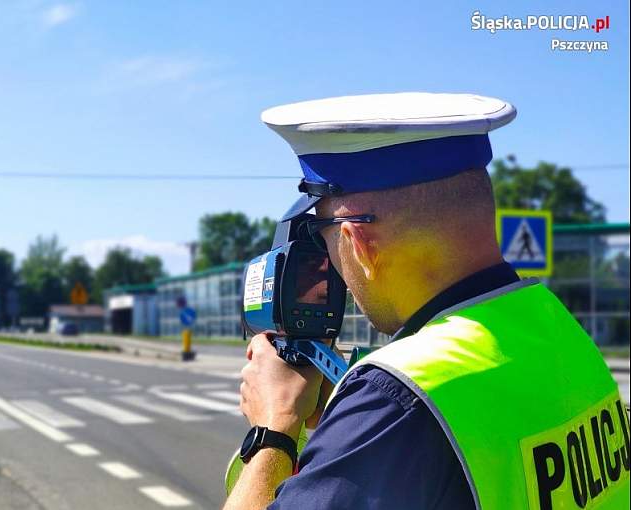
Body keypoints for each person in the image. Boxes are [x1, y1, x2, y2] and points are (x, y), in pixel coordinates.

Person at [223, 93, 629, 510]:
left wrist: (275, 427)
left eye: (327, 244)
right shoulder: (558, 327)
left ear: (358, 243)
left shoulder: (396, 399)